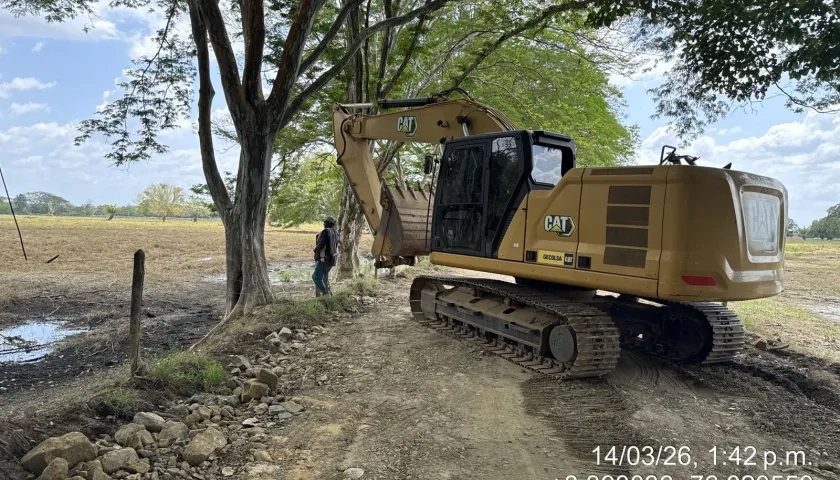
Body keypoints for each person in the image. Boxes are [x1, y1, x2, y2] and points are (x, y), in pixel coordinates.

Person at [313, 215, 339, 296]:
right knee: (324, 277)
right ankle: (328, 295)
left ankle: (325, 293)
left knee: (316, 277)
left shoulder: (326, 232)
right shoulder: (335, 232)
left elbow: (321, 244)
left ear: (328, 223)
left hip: (324, 258)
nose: (323, 224)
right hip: (332, 258)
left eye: (325, 222)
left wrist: (315, 250)